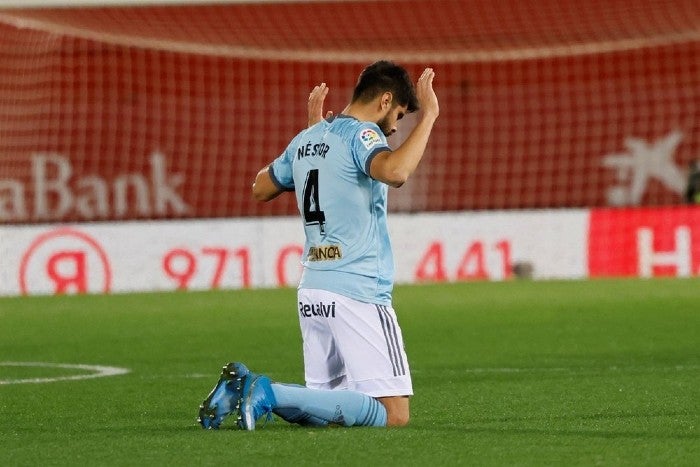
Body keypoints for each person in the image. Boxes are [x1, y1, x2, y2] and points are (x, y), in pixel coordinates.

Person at [198, 60, 439, 430]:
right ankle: (265, 390)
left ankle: (242, 386)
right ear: (385, 100)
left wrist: (312, 139)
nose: (394, 128)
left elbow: (260, 188)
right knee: (394, 414)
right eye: (400, 115)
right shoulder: (363, 136)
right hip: (357, 290)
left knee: (327, 411)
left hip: (313, 290)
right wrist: (430, 116)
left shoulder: (307, 139)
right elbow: (395, 172)